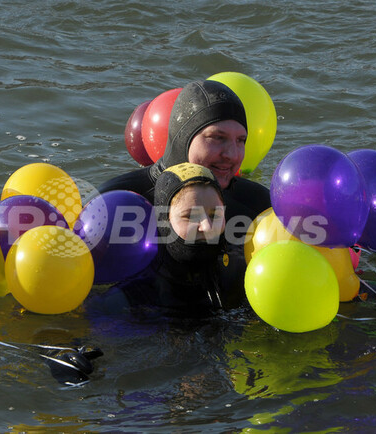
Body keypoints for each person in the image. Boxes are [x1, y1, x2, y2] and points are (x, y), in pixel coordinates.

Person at [99, 80, 271, 235]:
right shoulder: (114, 204)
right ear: (183, 138)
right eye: (218, 138)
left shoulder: (259, 206)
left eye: (241, 140)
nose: (232, 155)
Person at [89, 163, 247, 318]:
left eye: (215, 215)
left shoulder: (242, 272)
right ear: (163, 221)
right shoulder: (127, 299)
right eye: (191, 216)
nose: (207, 227)